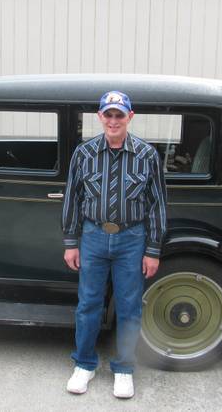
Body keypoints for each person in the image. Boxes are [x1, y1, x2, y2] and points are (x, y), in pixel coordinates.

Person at [62, 90, 167, 399]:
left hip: (131, 239)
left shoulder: (147, 155)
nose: (113, 120)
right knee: (88, 305)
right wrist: (71, 241)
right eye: (108, 114)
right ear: (100, 117)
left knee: (129, 308)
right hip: (93, 237)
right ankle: (84, 364)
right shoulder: (84, 153)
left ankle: (123, 369)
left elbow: (157, 205)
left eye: (119, 115)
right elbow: (72, 198)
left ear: (129, 117)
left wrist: (153, 249)